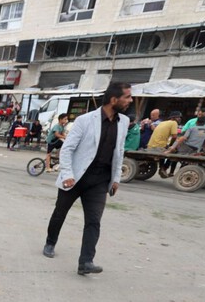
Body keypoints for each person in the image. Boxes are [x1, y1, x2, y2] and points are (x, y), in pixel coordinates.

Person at [42, 82, 132, 275]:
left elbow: (119, 151)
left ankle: (86, 261)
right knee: (60, 213)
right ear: (114, 99)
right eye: (127, 97)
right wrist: (67, 174)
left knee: (93, 221)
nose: (130, 100)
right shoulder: (85, 120)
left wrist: (116, 178)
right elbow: (67, 149)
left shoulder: (124, 122)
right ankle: (50, 242)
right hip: (75, 178)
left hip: (100, 181)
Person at [148, 111, 181, 178]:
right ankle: (163, 168)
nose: (179, 119)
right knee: (174, 152)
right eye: (178, 117)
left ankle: (162, 167)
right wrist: (172, 145)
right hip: (159, 146)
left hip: (151, 144)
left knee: (167, 149)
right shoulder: (174, 123)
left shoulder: (162, 122)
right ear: (173, 118)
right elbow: (174, 136)